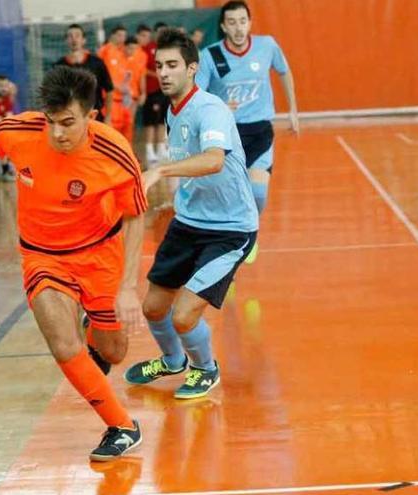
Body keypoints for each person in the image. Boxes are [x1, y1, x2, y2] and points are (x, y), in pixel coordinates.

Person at [0, 66, 147, 461]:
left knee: (113, 351)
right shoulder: (21, 130)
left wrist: (129, 286)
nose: (57, 133)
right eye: (51, 122)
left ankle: (93, 329)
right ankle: (122, 425)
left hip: (100, 254)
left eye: (68, 123)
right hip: (42, 256)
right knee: (62, 342)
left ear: (90, 116)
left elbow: (134, 215)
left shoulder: (114, 151)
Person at [123, 29, 258, 399]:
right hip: (189, 222)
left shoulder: (209, 109)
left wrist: (160, 172)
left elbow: (214, 160)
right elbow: (190, 161)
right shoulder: (172, 109)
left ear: (192, 68)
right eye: (159, 66)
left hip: (230, 230)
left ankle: (205, 368)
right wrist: (176, 199)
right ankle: (172, 361)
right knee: (153, 308)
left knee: (183, 316)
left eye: (172, 65)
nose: (163, 73)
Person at [195, 0, 299, 263]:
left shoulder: (267, 46)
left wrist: (293, 111)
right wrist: (218, 106)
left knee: (258, 191)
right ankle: (225, 241)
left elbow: (284, 72)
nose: (238, 28)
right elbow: (197, 95)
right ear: (223, 26)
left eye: (243, 21)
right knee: (227, 196)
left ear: (250, 23)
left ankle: (250, 234)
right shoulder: (211, 56)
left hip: (260, 131)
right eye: (232, 22)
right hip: (226, 135)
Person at [55, 24, 114, 123]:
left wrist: (108, 116)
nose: (74, 39)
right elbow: (55, 94)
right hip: (70, 119)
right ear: (66, 41)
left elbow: (109, 90)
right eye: (70, 36)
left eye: (77, 35)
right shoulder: (59, 66)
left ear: (84, 40)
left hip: (95, 117)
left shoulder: (96, 63)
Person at [140, 22, 171, 165]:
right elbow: (142, 69)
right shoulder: (147, 48)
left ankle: (161, 148)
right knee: (151, 122)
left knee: (162, 120)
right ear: (155, 33)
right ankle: (149, 150)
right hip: (151, 90)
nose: (162, 34)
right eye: (160, 31)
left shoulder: (169, 49)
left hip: (165, 90)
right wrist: (157, 74)